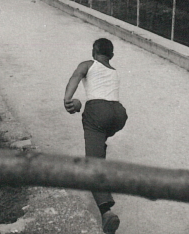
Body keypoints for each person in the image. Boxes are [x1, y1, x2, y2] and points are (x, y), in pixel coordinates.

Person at [64, 38, 128, 234]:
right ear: (112, 55)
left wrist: (68, 100)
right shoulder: (114, 71)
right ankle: (99, 153)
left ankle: (106, 211)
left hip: (97, 112)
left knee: (92, 163)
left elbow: (75, 77)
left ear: (93, 52)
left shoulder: (88, 64)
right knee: (99, 143)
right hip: (119, 114)